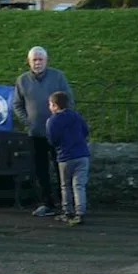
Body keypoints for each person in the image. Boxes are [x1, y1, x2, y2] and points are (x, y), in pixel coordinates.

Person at [14, 46, 73, 217]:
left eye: (41, 59)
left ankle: (67, 204)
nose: (37, 63)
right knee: (40, 170)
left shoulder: (58, 76)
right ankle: (47, 203)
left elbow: (68, 100)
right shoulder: (22, 80)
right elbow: (17, 105)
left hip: (58, 133)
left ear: (46, 61)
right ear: (29, 61)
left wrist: (61, 120)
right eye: (34, 60)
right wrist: (28, 122)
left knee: (61, 167)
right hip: (36, 133)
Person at [45, 91, 90, 225]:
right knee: (79, 185)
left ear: (54, 105)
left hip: (65, 156)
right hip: (82, 154)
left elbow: (52, 139)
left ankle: (68, 211)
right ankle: (80, 212)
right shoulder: (75, 115)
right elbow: (85, 130)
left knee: (66, 186)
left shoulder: (52, 120)